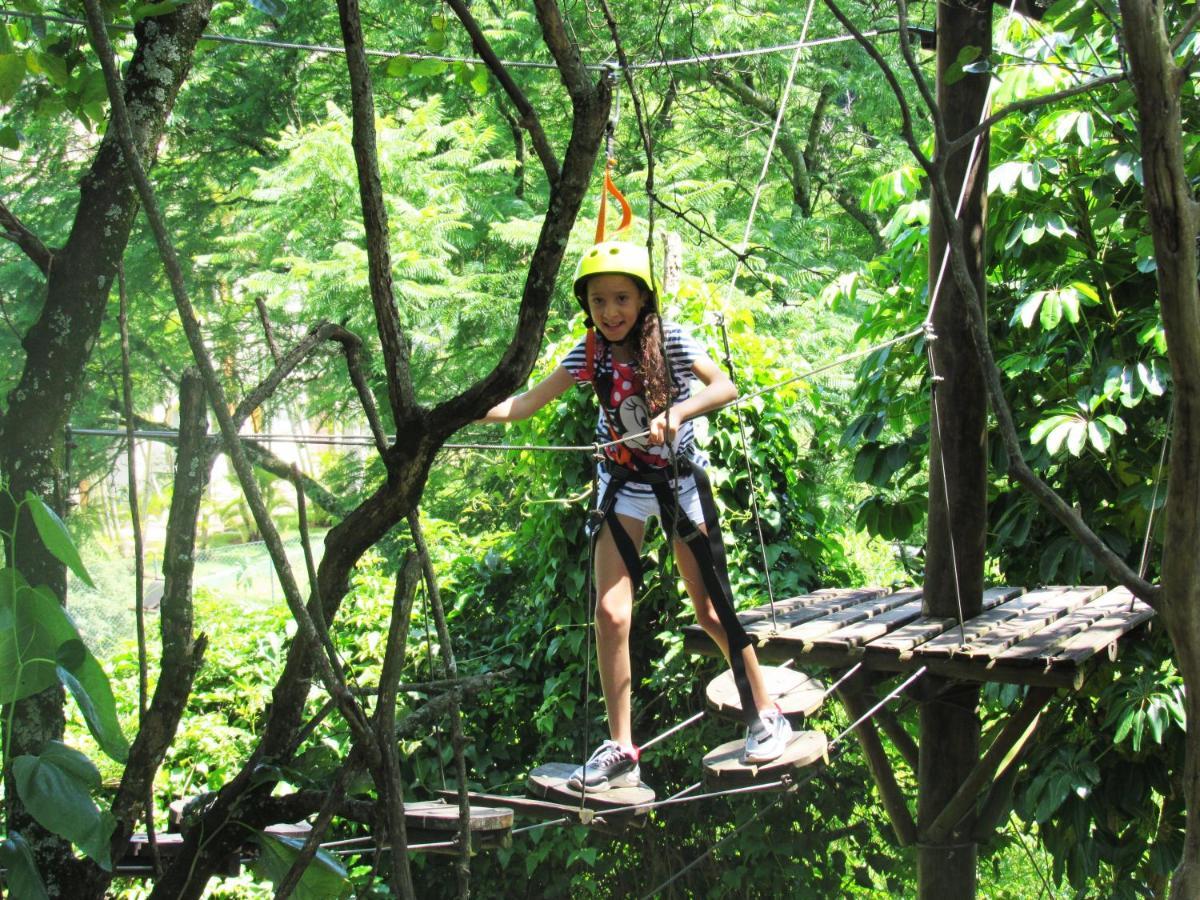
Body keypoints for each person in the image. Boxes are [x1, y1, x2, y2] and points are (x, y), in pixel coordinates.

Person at [483, 240, 791, 792]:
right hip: (622, 487)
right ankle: (622, 748)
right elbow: (524, 404)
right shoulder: (589, 355)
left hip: (676, 483)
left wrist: (678, 411)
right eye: (598, 300)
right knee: (610, 614)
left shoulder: (670, 341)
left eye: (621, 298)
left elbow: (724, 386)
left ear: (644, 298)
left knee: (712, 611)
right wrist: (459, 414)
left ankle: (766, 712)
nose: (610, 312)